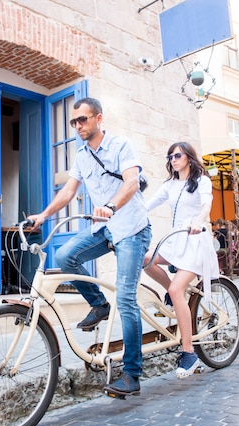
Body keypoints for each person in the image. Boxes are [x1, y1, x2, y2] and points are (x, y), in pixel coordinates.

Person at [27, 97, 151, 397]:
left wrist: (110, 205)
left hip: (132, 229)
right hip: (104, 229)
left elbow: (131, 182)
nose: (77, 125)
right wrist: (43, 216)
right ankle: (98, 304)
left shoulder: (121, 145)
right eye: (74, 121)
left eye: (82, 119)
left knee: (127, 299)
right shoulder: (82, 155)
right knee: (65, 255)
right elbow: (69, 190)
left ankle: (132, 374)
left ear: (98, 118)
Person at [142, 142, 220, 379]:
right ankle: (172, 291)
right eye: (170, 156)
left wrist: (198, 220)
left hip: (195, 240)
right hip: (175, 239)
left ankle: (189, 353)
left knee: (178, 290)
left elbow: (206, 203)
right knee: (145, 259)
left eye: (178, 155)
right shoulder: (169, 185)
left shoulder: (202, 181)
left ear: (188, 157)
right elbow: (148, 204)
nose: (173, 159)